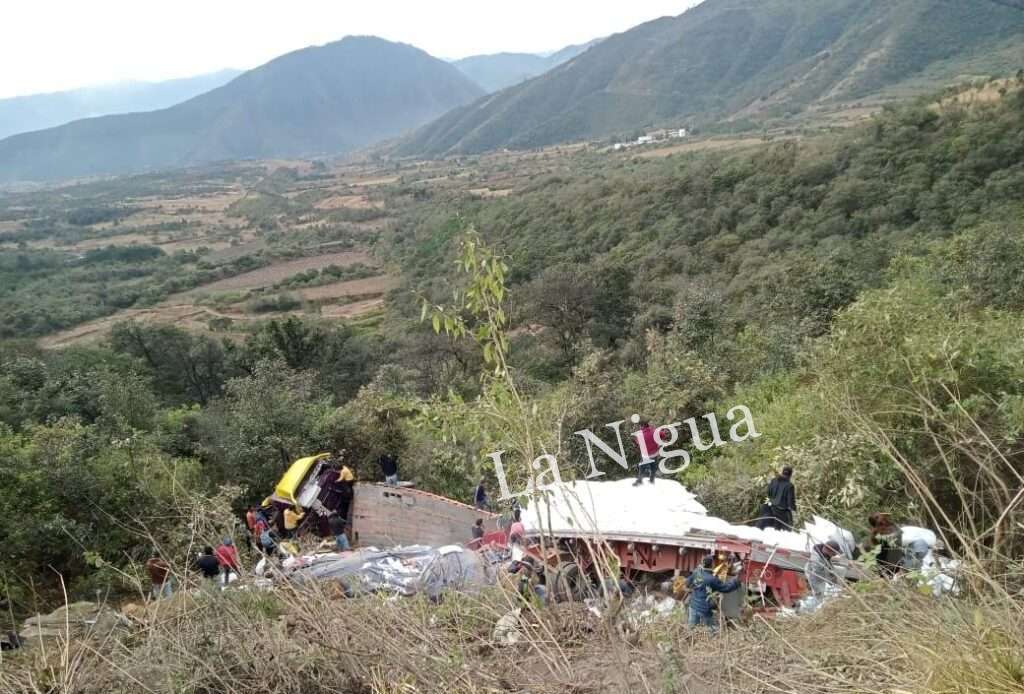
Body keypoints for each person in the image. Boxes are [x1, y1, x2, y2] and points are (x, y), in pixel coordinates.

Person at [686, 555, 740, 629]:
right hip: (704, 609)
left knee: (692, 628)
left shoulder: (696, 572)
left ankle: (690, 639)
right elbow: (726, 588)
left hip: (693, 606)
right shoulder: (712, 579)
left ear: (703, 563)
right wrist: (736, 582)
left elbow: (688, 583)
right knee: (713, 630)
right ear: (712, 564)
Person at [865, 512, 903, 577]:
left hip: (893, 560)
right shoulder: (878, 533)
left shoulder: (887, 527)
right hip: (887, 562)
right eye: (879, 516)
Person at [633, 420, 659, 486]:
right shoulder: (654, 431)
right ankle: (652, 480)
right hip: (654, 453)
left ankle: (639, 481)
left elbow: (638, 443)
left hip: (646, 455)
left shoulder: (640, 435)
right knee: (653, 467)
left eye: (640, 426)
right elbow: (663, 434)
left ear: (642, 426)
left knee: (642, 468)